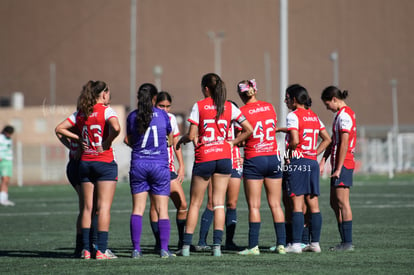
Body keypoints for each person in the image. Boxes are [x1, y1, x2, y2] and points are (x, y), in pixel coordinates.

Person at [176, 73, 253, 257]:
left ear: (206, 88)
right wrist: (232, 143)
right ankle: (217, 247)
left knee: (195, 203)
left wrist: (182, 140)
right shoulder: (228, 106)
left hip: (205, 156)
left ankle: (186, 247)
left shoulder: (199, 106)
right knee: (219, 204)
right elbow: (249, 129)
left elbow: (192, 135)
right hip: (224, 157)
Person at [55, 80, 120, 260]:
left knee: (86, 208)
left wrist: (76, 138)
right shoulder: (107, 110)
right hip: (104, 162)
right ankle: (101, 250)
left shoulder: (82, 112)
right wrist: (107, 142)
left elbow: (59, 128)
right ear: (104, 94)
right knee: (103, 208)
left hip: (85, 163)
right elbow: (116, 127)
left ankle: (85, 250)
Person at [235, 79, 286, 256]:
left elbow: (240, 137)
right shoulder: (269, 107)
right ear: (255, 90)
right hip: (273, 157)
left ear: (241, 94)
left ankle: (253, 246)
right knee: (276, 204)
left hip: (254, 158)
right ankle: (281, 245)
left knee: (254, 206)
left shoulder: (241, 111)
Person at [125, 83, 175, 258]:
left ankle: (136, 250)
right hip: (159, 165)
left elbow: (129, 140)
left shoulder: (132, 116)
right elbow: (170, 139)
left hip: (139, 164)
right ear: (155, 98)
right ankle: (164, 249)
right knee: (162, 209)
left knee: (137, 209)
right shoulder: (162, 114)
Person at [283, 84, 331, 254]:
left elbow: (295, 140)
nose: (285, 101)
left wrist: (289, 153)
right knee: (314, 204)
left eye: (287, 98)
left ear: (294, 100)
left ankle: (296, 244)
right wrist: (314, 153)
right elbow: (327, 139)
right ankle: (315, 243)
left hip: (298, 162)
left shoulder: (293, 116)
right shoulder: (314, 116)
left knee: (296, 204)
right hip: (311, 162)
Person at [195, 100, 244, 252]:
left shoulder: (236, 120)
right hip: (218, 157)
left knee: (232, 203)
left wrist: (237, 141)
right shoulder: (215, 117)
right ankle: (202, 241)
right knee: (212, 202)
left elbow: (243, 136)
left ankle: (229, 241)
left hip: (234, 160)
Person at [148, 91, 188, 252]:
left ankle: (181, 242)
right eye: (161, 106)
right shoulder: (148, 118)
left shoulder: (170, 119)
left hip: (169, 169)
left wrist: (182, 165)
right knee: (155, 207)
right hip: (153, 167)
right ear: (154, 104)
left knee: (183, 205)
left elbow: (175, 142)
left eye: (167, 106)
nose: (165, 109)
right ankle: (159, 243)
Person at [320, 85, 356, 252]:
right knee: (334, 203)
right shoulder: (339, 116)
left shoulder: (345, 116)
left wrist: (339, 168)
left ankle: (347, 242)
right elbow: (334, 142)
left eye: (328, 104)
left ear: (334, 99)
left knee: (342, 202)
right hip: (336, 164)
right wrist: (323, 160)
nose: (328, 108)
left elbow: (344, 144)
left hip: (344, 163)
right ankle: (344, 241)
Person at [0, 125, 15, 206]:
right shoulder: (1, 138)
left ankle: (4, 198)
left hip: (8, 161)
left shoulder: (9, 139)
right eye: (8, 133)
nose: (9, 135)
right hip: (3, 161)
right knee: (4, 179)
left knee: (6, 180)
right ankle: (2, 199)